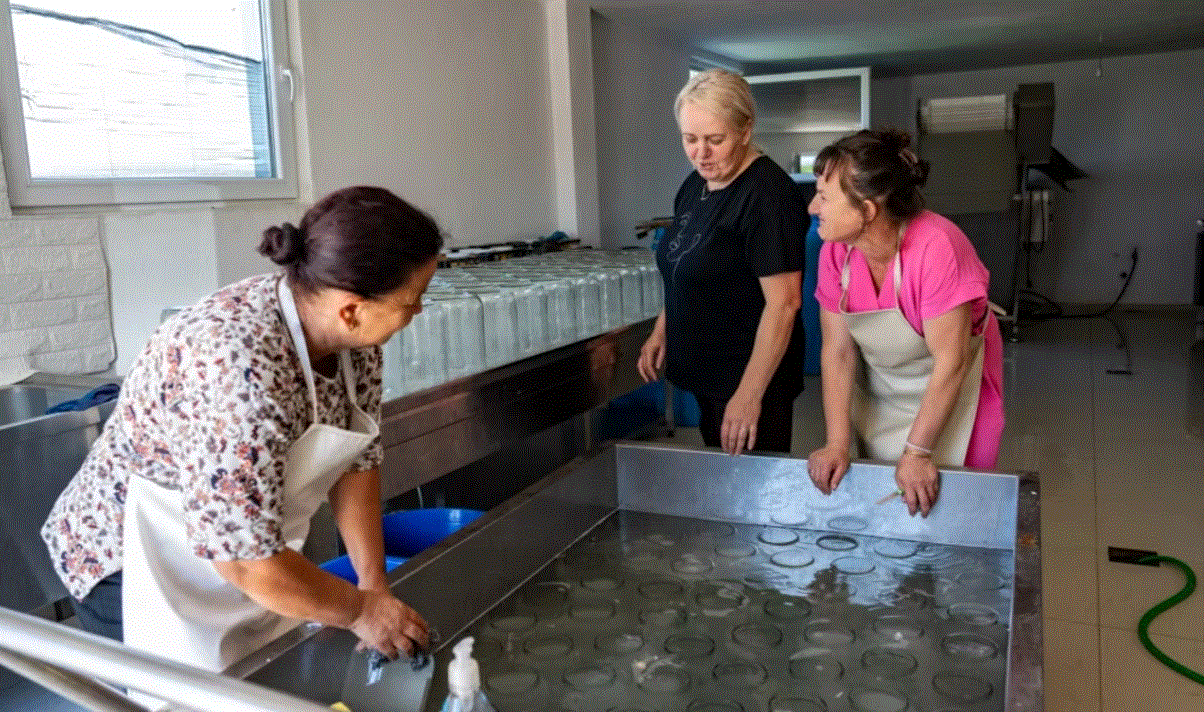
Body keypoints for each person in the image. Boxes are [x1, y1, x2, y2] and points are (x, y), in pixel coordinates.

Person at [42, 186, 440, 673]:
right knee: (180, 695)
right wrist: (359, 612)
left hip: (249, 552)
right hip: (137, 560)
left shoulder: (355, 344)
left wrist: (372, 583)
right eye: (413, 300)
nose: (418, 312)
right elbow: (246, 563)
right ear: (351, 309)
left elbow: (357, 463)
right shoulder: (237, 366)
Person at [805, 128, 1004, 517]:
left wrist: (917, 452)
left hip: (955, 390)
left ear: (868, 210)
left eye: (824, 197)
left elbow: (952, 362)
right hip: (884, 392)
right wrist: (836, 443)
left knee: (955, 508)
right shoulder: (835, 252)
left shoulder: (936, 247)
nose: (813, 207)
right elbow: (838, 351)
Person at [638, 68, 805, 455]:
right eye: (690, 139)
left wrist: (749, 395)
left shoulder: (768, 197)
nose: (701, 153)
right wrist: (663, 329)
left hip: (746, 379)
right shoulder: (695, 183)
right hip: (707, 374)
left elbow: (784, 303)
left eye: (715, 140)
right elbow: (684, 261)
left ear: (745, 131)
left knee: (750, 485)